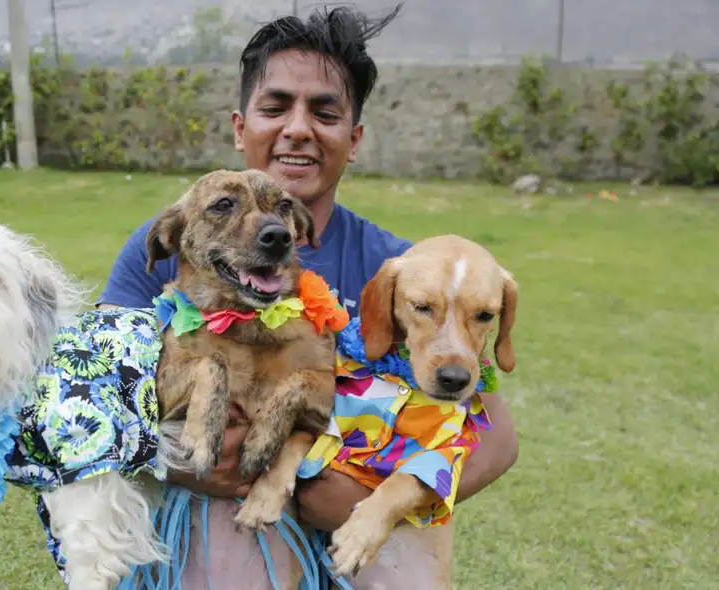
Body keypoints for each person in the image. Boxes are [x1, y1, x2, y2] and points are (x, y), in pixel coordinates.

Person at [96, 5, 519, 587]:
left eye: (325, 112)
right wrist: (183, 467)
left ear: (355, 139)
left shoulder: (402, 271)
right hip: (221, 503)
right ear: (242, 127)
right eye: (275, 107)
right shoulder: (175, 246)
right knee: (233, 557)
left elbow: (496, 443)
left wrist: (366, 501)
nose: (298, 128)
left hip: (355, 502)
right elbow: (89, 397)